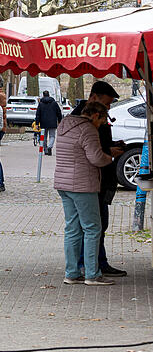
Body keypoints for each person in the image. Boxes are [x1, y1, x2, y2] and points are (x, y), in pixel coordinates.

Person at [54, 100, 116, 285]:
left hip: (63, 184)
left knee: (72, 228)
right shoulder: (88, 129)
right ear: (95, 115)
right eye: (102, 120)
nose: (102, 125)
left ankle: (71, 273)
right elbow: (96, 158)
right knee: (92, 228)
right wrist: (111, 157)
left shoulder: (64, 124)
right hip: (83, 184)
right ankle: (92, 274)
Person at [70, 80, 126, 277]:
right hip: (90, 180)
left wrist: (110, 146)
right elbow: (89, 152)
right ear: (94, 98)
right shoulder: (81, 119)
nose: (108, 108)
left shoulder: (89, 117)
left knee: (94, 225)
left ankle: (92, 264)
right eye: (107, 104)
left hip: (96, 179)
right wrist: (108, 153)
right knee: (91, 226)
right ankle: (89, 266)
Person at [36, 90, 63, 155]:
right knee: (52, 136)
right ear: (49, 95)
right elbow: (59, 112)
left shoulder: (41, 104)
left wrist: (37, 123)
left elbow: (38, 114)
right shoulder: (54, 103)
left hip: (43, 123)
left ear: (43, 95)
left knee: (44, 137)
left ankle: (45, 150)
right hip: (52, 122)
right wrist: (60, 121)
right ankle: (50, 147)